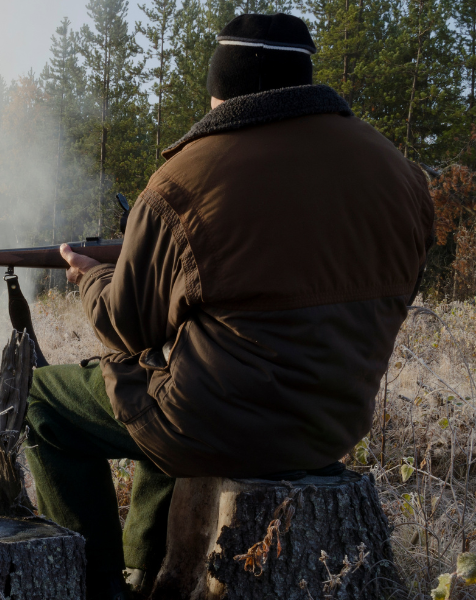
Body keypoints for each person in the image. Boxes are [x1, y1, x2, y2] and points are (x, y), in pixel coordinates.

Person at [26, 12, 434, 599]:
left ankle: (101, 588)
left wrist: (93, 277)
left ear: (223, 90)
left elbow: (126, 326)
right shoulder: (398, 172)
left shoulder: (183, 180)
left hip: (218, 429)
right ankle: (148, 572)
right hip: (331, 428)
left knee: (45, 403)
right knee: (169, 381)